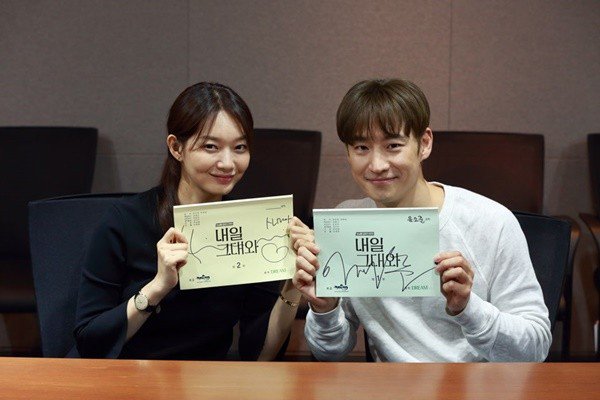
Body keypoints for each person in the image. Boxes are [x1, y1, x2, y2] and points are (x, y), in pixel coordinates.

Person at [290, 78, 551, 362]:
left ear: (424, 144)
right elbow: (331, 353)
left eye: (393, 146)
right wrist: (325, 308)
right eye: (361, 148)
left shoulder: (492, 222)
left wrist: (468, 307)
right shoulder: (347, 224)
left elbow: (534, 349)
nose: (376, 165)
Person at [75, 82, 301, 360]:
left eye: (240, 147)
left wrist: (293, 285)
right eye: (210, 147)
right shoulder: (125, 221)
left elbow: (259, 356)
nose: (228, 163)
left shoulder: (250, 226)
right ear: (176, 147)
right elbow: (90, 342)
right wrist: (158, 286)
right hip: (128, 377)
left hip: (206, 382)